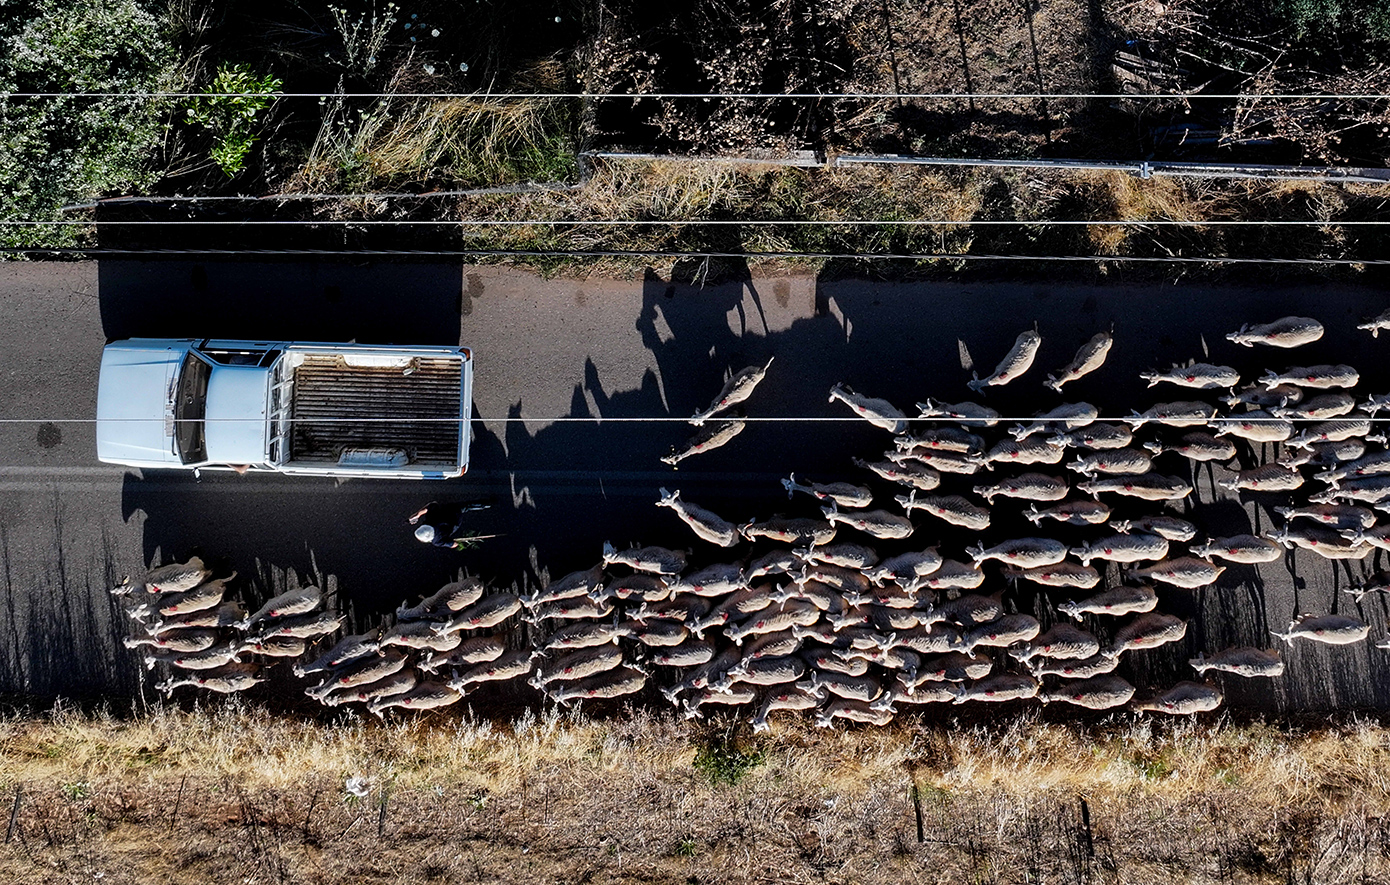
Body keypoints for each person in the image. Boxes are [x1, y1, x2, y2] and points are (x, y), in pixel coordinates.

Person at [409, 500, 489, 550]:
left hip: (455, 520)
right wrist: (418, 514)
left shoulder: (437, 541)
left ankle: (485, 505)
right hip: (449, 509)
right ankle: (485, 503)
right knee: (464, 506)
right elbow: (433, 504)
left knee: (465, 508)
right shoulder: (429, 519)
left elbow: (454, 544)